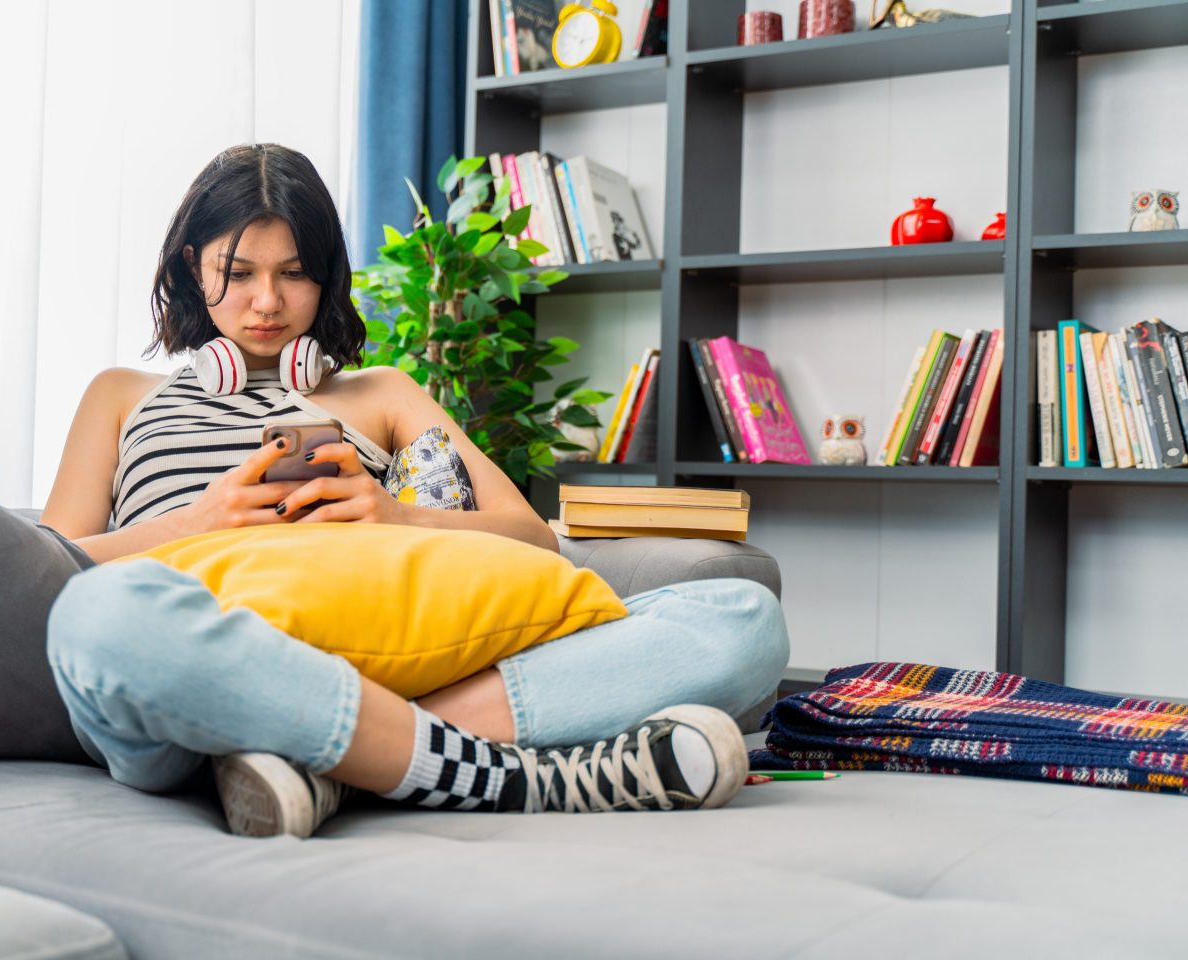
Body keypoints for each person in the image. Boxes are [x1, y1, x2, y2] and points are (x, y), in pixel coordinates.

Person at [40, 143, 790, 838]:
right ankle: (483, 769)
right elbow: (41, 567)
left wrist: (395, 514)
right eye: (237, 274)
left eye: (294, 274)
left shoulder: (381, 393)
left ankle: (341, 765)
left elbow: (533, 537)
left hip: (372, 646)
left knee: (743, 618)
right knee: (97, 617)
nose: (266, 302)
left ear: (326, 276)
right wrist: (192, 524)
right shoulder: (121, 395)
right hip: (200, 660)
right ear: (191, 267)